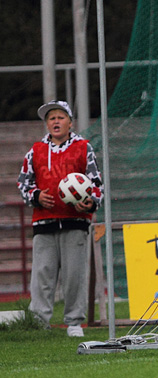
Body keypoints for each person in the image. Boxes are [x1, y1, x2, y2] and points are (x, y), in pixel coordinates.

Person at [17, 100, 103, 337]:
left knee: (74, 274)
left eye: (60, 117)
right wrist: (36, 196)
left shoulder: (84, 148)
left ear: (70, 122)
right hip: (43, 221)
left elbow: (97, 185)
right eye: (51, 118)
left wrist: (90, 201)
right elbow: (24, 183)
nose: (55, 121)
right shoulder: (35, 151)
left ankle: (74, 322)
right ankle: (38, 321)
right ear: (47, 124)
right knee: (42, 274)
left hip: (75, 221)